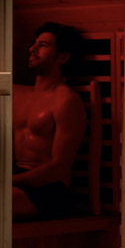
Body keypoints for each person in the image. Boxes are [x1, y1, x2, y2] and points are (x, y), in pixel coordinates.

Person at [12, 22, 87, 220]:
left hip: (47, 189)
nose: (32, 49)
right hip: (14, 179)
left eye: (43, 45)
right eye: (34, 43)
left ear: (62, 57)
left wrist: (9, 181)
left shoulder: (66, 100)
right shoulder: (15, 93)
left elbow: (59, 167)